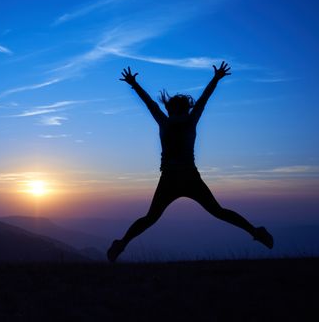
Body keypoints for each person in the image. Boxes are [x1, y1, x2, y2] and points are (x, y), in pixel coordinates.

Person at [107, 62, 273, 262]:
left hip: (172, 178)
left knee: (150, 218)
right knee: (217, 211)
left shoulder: (165, 122)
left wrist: (134, 83)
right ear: (184, 109)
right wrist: (216, 79)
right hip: (187, 177)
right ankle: (255, 231)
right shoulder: (187, 120)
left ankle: (121, 244)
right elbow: (202, 99)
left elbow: (150, 102)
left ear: (171, 109)